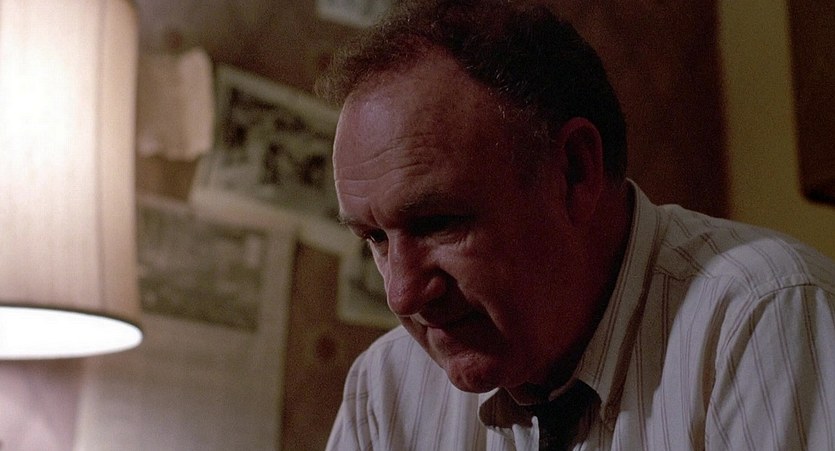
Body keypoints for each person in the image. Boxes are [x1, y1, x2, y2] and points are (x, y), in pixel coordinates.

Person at [316, 0, 835, 449]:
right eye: (375, 238)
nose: (402, 294)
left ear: (574, 172)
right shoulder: (383, 391)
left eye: (437, 222)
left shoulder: (763, 318)